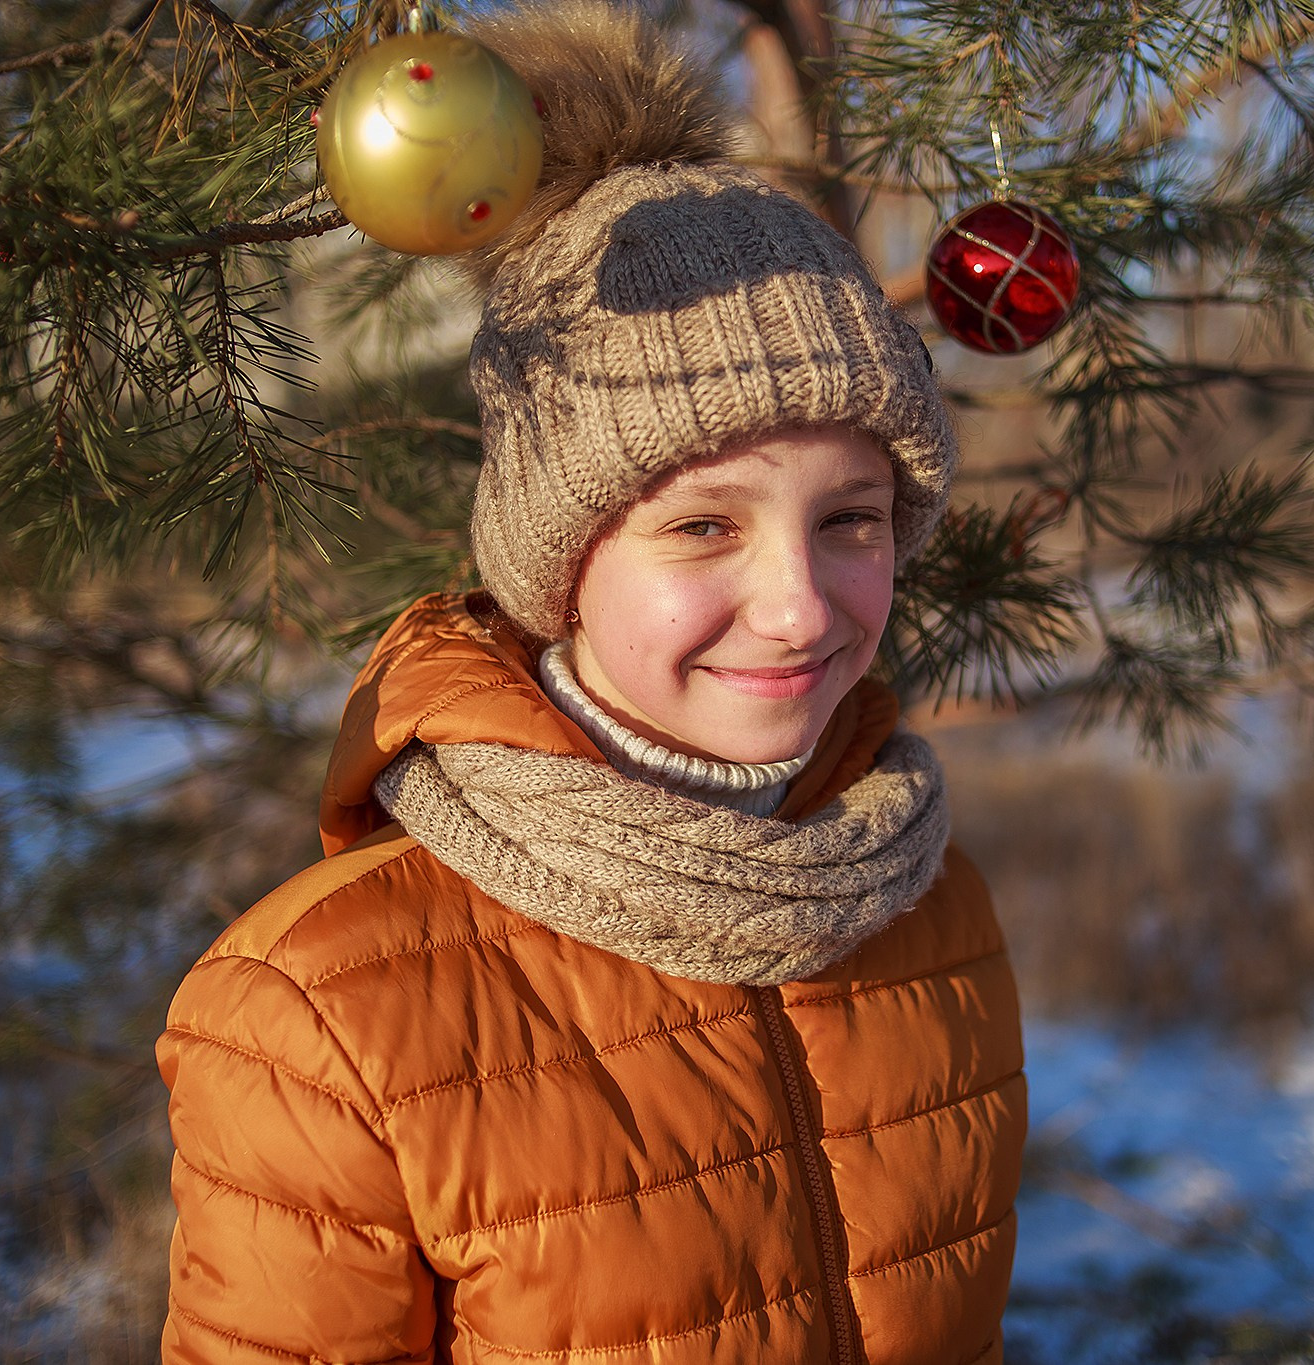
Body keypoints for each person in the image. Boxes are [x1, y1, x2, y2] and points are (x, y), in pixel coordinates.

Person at [155, 5, 1027, 1362]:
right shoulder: (315, 1012)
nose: (801, 603)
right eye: (703, 525)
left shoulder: (927, 902)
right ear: (558, 560)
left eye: (851, 518)